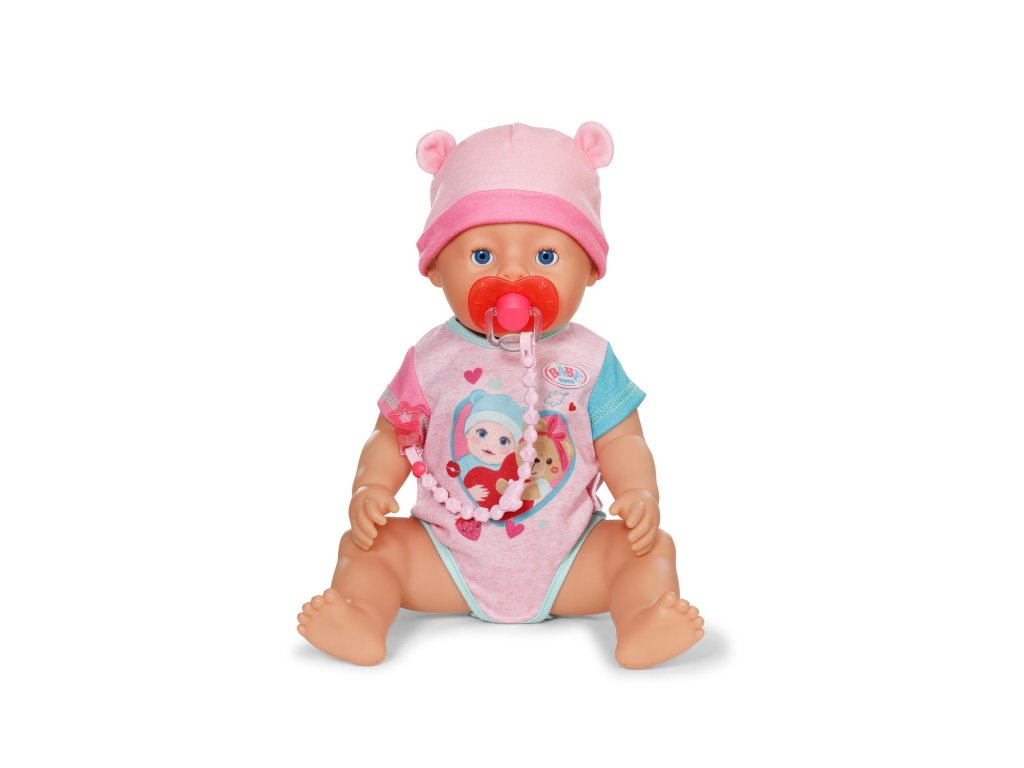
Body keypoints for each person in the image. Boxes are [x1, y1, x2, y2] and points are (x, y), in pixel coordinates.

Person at [297, 122, 704, 668]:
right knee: (370, 547)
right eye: (483, 256)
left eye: (545, 257)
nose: (514, 275)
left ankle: (645, 616)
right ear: (436, 267)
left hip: (571, 562)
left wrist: (639, 494)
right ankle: (360, 613)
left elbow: (623, 440)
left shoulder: (590, 359)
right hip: (443, 558)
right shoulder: (430, 358)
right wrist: (371, 487)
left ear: (590, 267)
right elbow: (392, 435)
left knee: (647, 550)